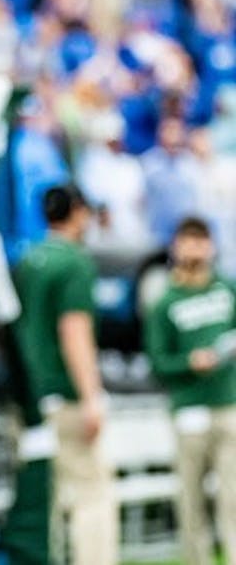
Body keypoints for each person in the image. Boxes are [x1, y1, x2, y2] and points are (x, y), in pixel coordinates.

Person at [10, 183, 119, 565]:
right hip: (66, 395)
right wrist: (92, 396)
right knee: (92, 497)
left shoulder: (28, 259)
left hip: (31, 396)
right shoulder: (75, 262)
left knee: (50, 503)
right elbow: (75, 332)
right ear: (76, 211)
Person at [143, 217, 236, 565]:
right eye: (188, 241)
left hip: (228, 404)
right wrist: (189, 361)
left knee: (233, 497)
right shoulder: (165, 301)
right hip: (189, 408)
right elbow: (157, 362)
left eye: (201, 241)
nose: (195, 249)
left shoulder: (226, 289)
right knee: (191, 500)